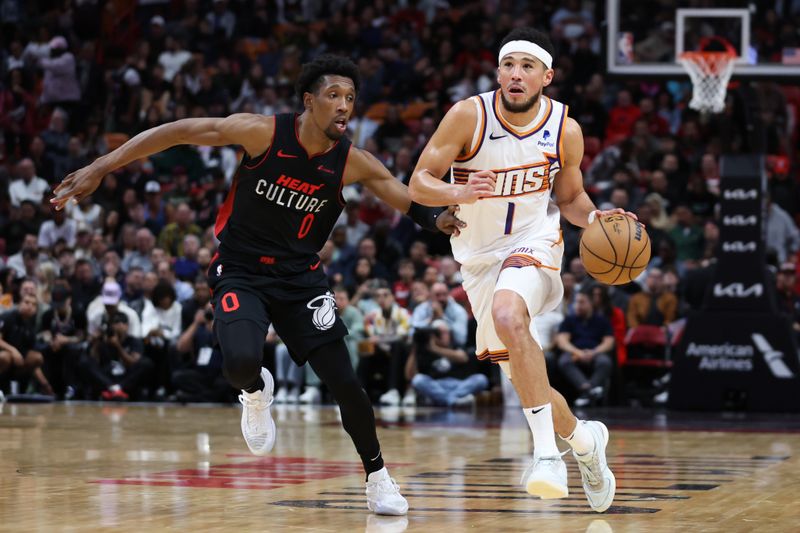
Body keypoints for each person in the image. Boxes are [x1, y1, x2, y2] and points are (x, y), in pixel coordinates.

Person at [52, 54, 465, 516]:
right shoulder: (262, 133)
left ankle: (378, 477)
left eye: (350, 98)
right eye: (333, 96)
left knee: (346, 382)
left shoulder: (352, 162)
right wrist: (102, 166)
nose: (343, 106)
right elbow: (177, 131)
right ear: (308, 101)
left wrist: (436, 218)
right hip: (241, 268)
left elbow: (404, 198)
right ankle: (254, 392)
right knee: (241, 362)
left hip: (300, 277)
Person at [409, 27, 631, 512]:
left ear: (545, 76)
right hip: (478, 258)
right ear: (498, 73)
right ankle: (585, 442)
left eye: (527, 66)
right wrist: (456, 193)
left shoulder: (565, 128)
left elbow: (570, 198)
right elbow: (418, 183)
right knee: (525, 380)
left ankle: (547, 456)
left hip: (534, 241)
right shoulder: (468, 115)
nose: (516, 74)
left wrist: (598, 218)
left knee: (511, 316)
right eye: (508, 64)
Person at [556, 290, 615, 407]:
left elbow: (609, 342)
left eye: (582, 302)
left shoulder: (601, 320)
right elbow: (562, 342)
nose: (578, 305)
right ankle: (589, 390)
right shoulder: (569, 320)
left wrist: (593, 352)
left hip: (595, 352)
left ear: (591, 303)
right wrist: (578, 352)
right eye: (576, 302)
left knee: (605, 362)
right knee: (564, 361)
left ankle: (586, 392)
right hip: (575, 352)